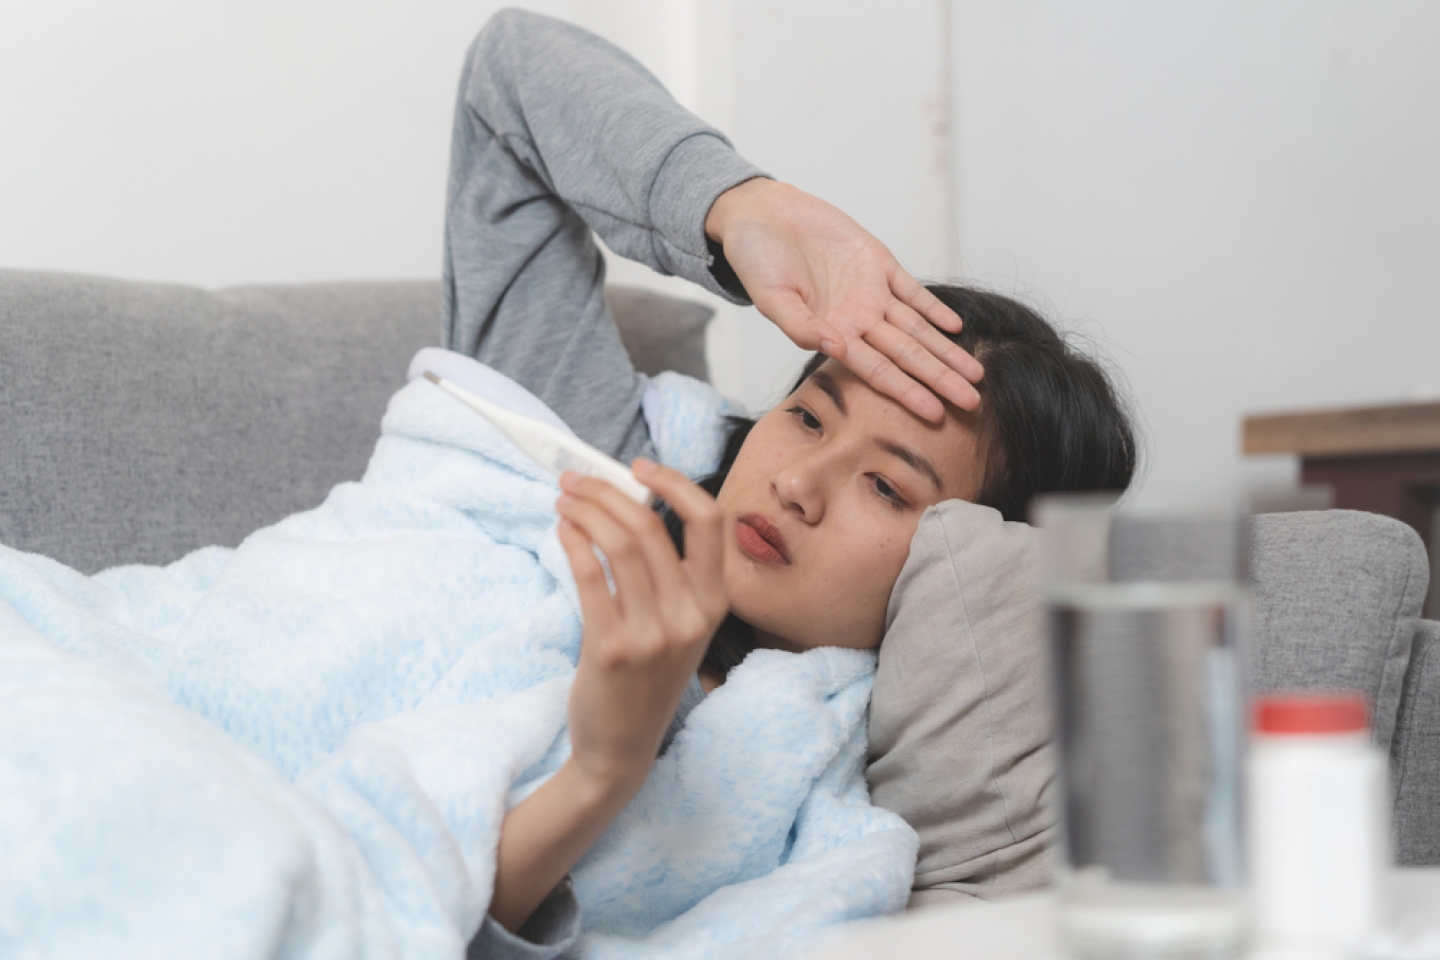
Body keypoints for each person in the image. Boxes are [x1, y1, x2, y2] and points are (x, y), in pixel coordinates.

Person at [445, 10, 1135, 954]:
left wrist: (608, 767)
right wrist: (741, 208)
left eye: (887, 489)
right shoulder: (612, 468)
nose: (798, 483)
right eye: (808, 415)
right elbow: (508, 74)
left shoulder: (842, 810)